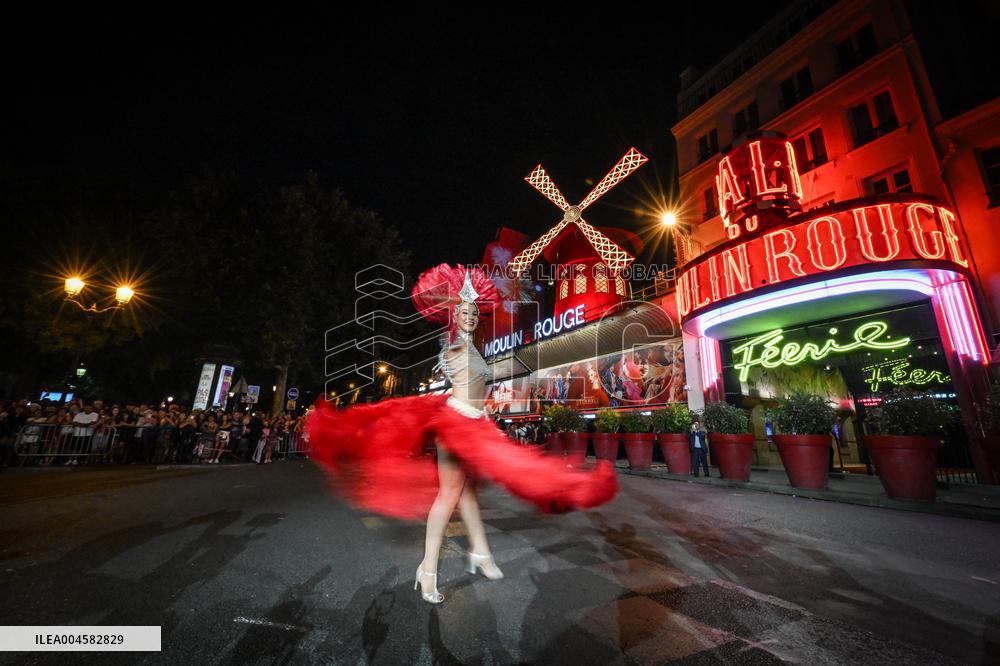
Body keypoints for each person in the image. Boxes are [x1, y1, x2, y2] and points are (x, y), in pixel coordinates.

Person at [307, 264, 617, 605]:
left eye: (473, 313)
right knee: (449, 496)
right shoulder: (454, 342)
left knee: (467, 494)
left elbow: (483, 375)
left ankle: (480, 553)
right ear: (453, 316)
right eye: (463, 313)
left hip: (476, 421)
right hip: (457, 424)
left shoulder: (472, 345)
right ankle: (428, 570)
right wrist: (456, 305)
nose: (470, 317)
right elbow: (461, 360)